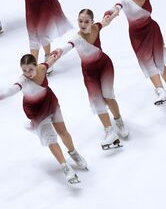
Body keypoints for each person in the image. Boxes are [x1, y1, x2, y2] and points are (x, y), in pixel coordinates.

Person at [0, 54, 87, 185]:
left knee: (63, 132)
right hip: (36, 112)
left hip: (50, 102)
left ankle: (74, 154)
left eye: (30, 69)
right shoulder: (22, 81)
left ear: (36, 66)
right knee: (51, 138)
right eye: (24, 70)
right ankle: (65, 167)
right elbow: (11, 90)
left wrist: (56, 54)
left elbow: (52, 60)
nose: (27, 73)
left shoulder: (42, 69)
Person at [51, 9, 129, 150]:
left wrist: (115, 12)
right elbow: (67, 47)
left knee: (108, 96)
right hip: (89, 74)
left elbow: (106, 21)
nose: (83, 24)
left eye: (87, 21)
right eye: (80, 21)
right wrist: (59, 51)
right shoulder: (76, 38)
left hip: (105, 66)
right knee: (97, 101)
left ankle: (119, 121)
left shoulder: (96, 27)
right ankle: (109, 131)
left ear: (92, 22)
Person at [104, 0, 166, 107]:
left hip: (152, 31)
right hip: (137, 37)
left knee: (159, 63)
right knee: (147, 62)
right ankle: (160, 91)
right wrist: (110, 15)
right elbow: (115, 8)